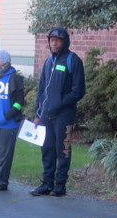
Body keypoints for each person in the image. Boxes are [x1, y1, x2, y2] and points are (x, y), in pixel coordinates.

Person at [30, 27, 86, 197]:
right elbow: (41, 91)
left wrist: (60, 104)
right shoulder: (48, 62)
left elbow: (79, 91)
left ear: (64, 42)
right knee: (47, 149)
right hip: (46, 115)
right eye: (51, 40)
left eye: (58, 40)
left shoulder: (72, 60)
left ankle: (60, 185)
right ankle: (47, 183)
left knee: (63, 149)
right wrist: (38, 114)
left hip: (64, 115)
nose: (54, 43)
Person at [0, 49, 26, 191]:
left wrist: (7, 116)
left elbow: (19, 102)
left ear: (4, 61)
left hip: (8, 124)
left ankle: (2, 181)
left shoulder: (14, 78)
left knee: (5, 153)